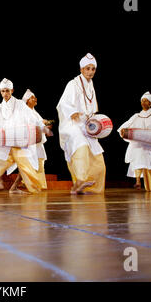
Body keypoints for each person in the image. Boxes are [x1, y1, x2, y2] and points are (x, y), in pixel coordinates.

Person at [56, 53, 106, 195]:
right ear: (81, 69)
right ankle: (80, 181)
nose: (90, 72)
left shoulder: (91, 85)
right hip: (72, 124)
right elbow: (63, 103)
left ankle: (91, 188)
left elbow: (92, 108)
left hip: (86, 125)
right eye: (87, 68)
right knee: (81, 146)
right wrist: (73, 112)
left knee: (98, 158)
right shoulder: (73, 84)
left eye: (93, 69)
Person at [0, 78, 44, 194]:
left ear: (12, 90)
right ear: (0, 92)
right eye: (3, 91)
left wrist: (38, 132)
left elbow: (33, 119)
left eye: (7, 91)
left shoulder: (20, 104)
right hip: (5, 142)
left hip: (20, 142)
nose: (5, 94)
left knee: (26, 165)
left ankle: (32, 190)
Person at [8, 89, 53, 191]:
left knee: (38, 161)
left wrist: (46, 125)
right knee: (30, 163)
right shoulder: (24, 112)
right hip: (29, 142)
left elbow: (41, 124)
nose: (35, 99)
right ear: (27, 101)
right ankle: (31, 184)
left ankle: (32, 184)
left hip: (36, 143)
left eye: (35, 97)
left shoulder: (34, 112)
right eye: (32, 97)